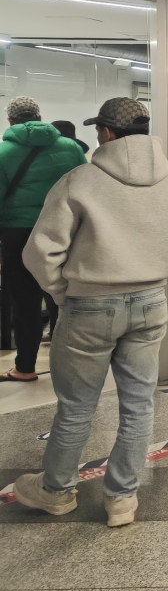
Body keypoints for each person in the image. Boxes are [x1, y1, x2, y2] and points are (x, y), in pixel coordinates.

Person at [13, 97, 168, 527]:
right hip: (151, 302)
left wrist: (63, 291)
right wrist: (151, 269)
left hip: (89, 306)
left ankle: (56, 490)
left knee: (77, 406)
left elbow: (40, 251)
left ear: (107, 132)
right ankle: (122, 498)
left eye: (99, 129)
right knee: (138, 405)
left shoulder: (79, 181)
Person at [0, 97, 87, 381]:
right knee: (62, 299)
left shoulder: (2, 152)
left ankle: (25, 367)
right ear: (39, 117)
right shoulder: (71, 148)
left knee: (24, 303)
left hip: (18, 234)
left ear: (10, 120)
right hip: (62, 231)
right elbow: (86, 192)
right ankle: (67, 366)